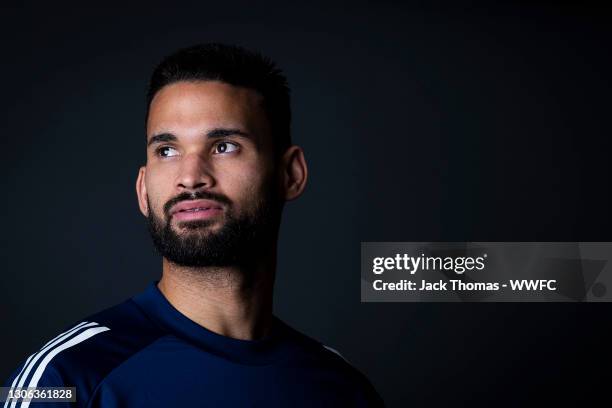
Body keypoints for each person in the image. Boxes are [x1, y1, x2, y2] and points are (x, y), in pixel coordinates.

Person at [3, 43, 384, 407]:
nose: (190, 177)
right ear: (142, 189)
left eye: (224, 146)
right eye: (166, 151)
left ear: (290, 174)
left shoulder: (340, 387)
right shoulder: (65, 378)